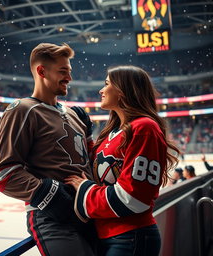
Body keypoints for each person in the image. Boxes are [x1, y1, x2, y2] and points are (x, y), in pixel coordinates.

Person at [0, 43, 96, 256]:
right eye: (63, 72)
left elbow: (88, 160)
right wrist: (46, 194)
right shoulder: (22, 110)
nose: (69, 78)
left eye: (69, 72)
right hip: (51, 217)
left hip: (89, 211)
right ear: (42, 71)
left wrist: (90, 137)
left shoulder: (74, 114)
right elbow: (3, 173)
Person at [65, 65, 180, 256]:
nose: (101, 90)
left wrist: (84, 189)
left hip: (130, 236)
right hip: (107, 236)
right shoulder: (112, 132)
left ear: (123, 90)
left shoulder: (144, 128)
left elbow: (133, 199)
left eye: (107, 84)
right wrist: (84, 135)